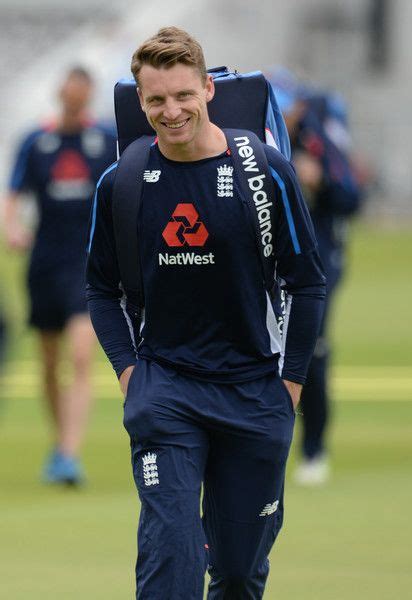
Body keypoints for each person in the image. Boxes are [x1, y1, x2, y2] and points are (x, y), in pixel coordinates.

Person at [86, 27, 325, 599]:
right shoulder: (121, 183)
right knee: (173, 555)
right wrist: (130, 376)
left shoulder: (264, 170)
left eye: (183, 95)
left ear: (207, 90)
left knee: (240, 573)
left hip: (254, 392)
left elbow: (306, 283)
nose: (171, 112)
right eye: (156, 100)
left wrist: (288, 386)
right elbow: (101, 289)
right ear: (140, 102)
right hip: (165, 390)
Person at [3, 67, 117, 485]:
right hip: (44, 262)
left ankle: (70, 453)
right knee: (49, 362)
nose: (75, 102)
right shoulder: (37, 142)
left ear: (89, 97)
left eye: (82, 96)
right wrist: (12, 227)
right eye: (69, 95)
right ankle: (59, 443)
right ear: (59, 94)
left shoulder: (104, 140)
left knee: (82, 356)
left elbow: (120, 191)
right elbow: (12, 196)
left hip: (86, 263)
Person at [270, 69, 362, 485]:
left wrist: (319, 179)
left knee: (312, 348)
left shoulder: (319, 137)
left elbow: (350, 198)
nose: (283, 117)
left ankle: (314, 448)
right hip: (267, 263)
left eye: (289, 110)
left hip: (319, 260)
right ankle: (262, 446)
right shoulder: (255, 138)